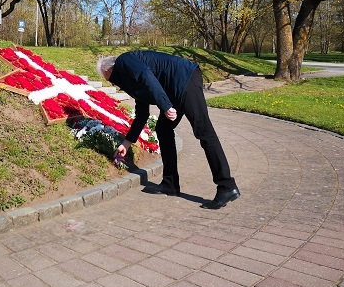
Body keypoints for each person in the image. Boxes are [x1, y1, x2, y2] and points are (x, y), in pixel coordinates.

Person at [96, 50, 240, 209]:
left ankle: (227, 186)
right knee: (163, 129)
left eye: (107, 79)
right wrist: (126, 143)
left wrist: (165, 106)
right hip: (175, 87)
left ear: (108, 70)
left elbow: (145, 74)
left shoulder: (125, 60)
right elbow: (142, 114)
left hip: (186, 78)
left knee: (204, 132)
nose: (111, 83)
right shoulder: (130, 77)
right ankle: (170, 183)